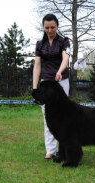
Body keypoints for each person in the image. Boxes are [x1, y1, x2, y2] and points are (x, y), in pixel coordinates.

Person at [32, 14, 71, 159]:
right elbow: (37, 66)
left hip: (61, 81)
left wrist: (60, 71)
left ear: (57, 27)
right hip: (45, 84)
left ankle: (65, 149)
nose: (50, 30)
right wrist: (35, 88)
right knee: (47, 116)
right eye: (47, 27)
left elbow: (66, 58)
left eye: (52, 27)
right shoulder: (39, 44)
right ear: (43, 27)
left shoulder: (64, 41)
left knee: (64, 116)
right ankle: (50, 151)